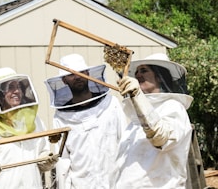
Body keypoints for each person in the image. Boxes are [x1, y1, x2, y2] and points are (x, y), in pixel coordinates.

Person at [44, 53, 127, 189]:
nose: (78, 77)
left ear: (88, 72)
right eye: (71, 74)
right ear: (64, 80)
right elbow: (64, 162)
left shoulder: (112, 104)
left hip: (116, 183)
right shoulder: (60, 118)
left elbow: (125, 143)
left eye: (81, 72)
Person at [111, 53, 193, 188]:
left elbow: (160, 138)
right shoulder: (134, 121)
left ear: (160, 77)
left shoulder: (173, 107)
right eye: (136, 72)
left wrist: (137, 96)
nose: (138, 75)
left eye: (144, 70)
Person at [0, 67, 58, 189]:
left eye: (18, 87)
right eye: (10, 87)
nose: (16, 91)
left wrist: (46, 160)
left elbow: (42, 153)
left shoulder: (34, 121)